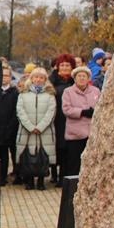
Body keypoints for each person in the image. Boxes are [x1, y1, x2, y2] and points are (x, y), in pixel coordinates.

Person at [15, 67, 57, 190]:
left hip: (44, 131)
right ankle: (29, 181)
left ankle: (41, 181)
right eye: (36, 77)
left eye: (41, 77)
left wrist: (40, 127)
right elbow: (20, 111)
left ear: (45, 80)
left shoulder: (50, 95)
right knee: (28, 155)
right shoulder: (23, 94)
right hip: (27, 131)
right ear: (31, 79)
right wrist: (30, 127)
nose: (38, 80)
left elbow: (51, 112)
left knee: (43, 155)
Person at [62, 66, 100, 177]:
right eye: (79, 76)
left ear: (88, 78)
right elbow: (66, 109)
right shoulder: (68, 92)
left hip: (92, 133)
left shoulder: (96, 91)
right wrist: (82, 112)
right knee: (74, 163)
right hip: (75, 134)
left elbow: (101, 106)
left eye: (84, 76)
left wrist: (95, 111)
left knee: (92, 162)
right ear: (74, 78)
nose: (82, 78)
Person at [48, 54, 76, 186]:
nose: (64, 67)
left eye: (67, 65)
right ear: (58, 67)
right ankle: (54, 174)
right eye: (62, 65)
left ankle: (63, 176)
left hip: (70, 119)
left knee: (66, 149)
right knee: (56, 147)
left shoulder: (74, 81)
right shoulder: (51, 81)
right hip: (55, 118)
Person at [0, 66, 20, 186]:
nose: (4, 78)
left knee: (11, 153)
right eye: (2, 76)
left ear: (10, 77)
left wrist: (11, 126)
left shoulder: (15, 93)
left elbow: (16, 112)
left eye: (6, 75)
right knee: (0, 153)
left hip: (11, 128)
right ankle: (0, 177)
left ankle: (15, 175)